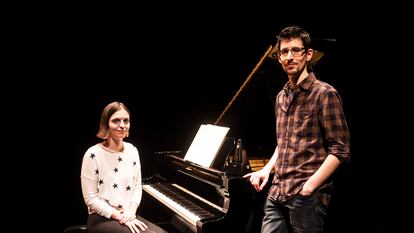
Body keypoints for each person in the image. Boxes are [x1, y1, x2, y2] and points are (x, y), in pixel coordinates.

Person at [243, 25, 350, 233]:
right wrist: (266, 170)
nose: (289, 57)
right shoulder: (280, 97)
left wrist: (308, 188)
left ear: (308, 54)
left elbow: (340, 150)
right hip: (277, 192)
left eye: (295, 50)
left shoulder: (324, 93)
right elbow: (283, 141)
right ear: (279, 57)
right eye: (284, 51)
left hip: (305, 198)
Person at [80, 101, 167, 233]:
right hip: (102, 218)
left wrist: (131, 213)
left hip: (127, 215)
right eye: (116, 121)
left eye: (126, 121)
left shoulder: (132, 150)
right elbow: (90, 199)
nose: (122, 125)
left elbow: (137, 186)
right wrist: (118, 215)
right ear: (106, 124)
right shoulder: (93, 154)